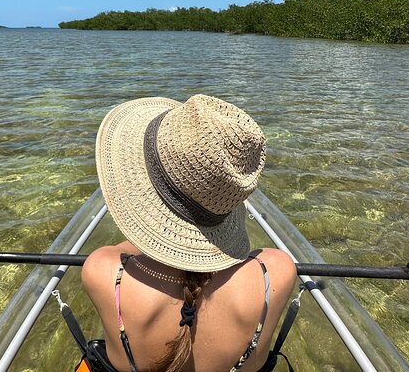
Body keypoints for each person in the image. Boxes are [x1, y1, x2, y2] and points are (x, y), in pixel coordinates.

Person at [81, 94, 298, 372]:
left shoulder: (103, 273)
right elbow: (250, 258)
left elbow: (124, 250)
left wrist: (159, 234)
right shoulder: (277, 272)